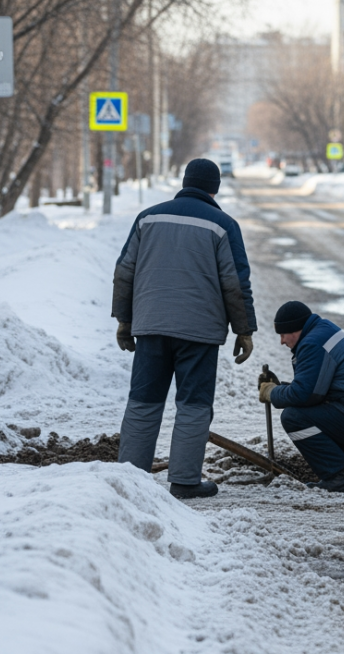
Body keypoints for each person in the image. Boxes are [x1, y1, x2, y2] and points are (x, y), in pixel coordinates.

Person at [112, 158, 257, 500]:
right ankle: (185, 480)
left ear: (184, 181)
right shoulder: (223, 224)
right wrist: (244, 330)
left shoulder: (149, 217)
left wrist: (124, 320)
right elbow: (234, 283)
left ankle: (130, 477)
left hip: (150, 325)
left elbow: (124, 272)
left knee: (143, 401)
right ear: (214, 188)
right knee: (193, 404)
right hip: (199, 331)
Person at [259, 301, 344, 493]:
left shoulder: (312, 343)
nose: (282, 341)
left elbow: (304, 395)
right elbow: (314, 391)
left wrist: (271, 392)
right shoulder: (321, 332)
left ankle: (339, 476)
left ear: (295, 330)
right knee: (313, 415)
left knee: (294, 418)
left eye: (283, 335)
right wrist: (280, 388)